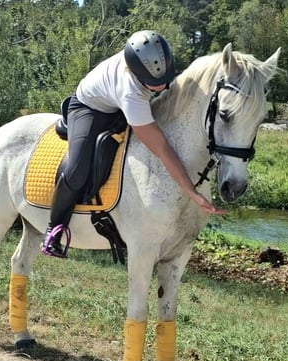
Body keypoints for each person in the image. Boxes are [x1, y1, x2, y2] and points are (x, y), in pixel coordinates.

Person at [41, 30, 226, 258]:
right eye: (153, 84)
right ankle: (54, 229)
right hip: (90, 108)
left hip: (116, 104)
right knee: (77, 168)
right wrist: (192, 191)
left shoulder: (152, 64)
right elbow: (162, 149)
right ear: (137, 74)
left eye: (164, 80)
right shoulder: (131, 91)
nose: (160, 87)